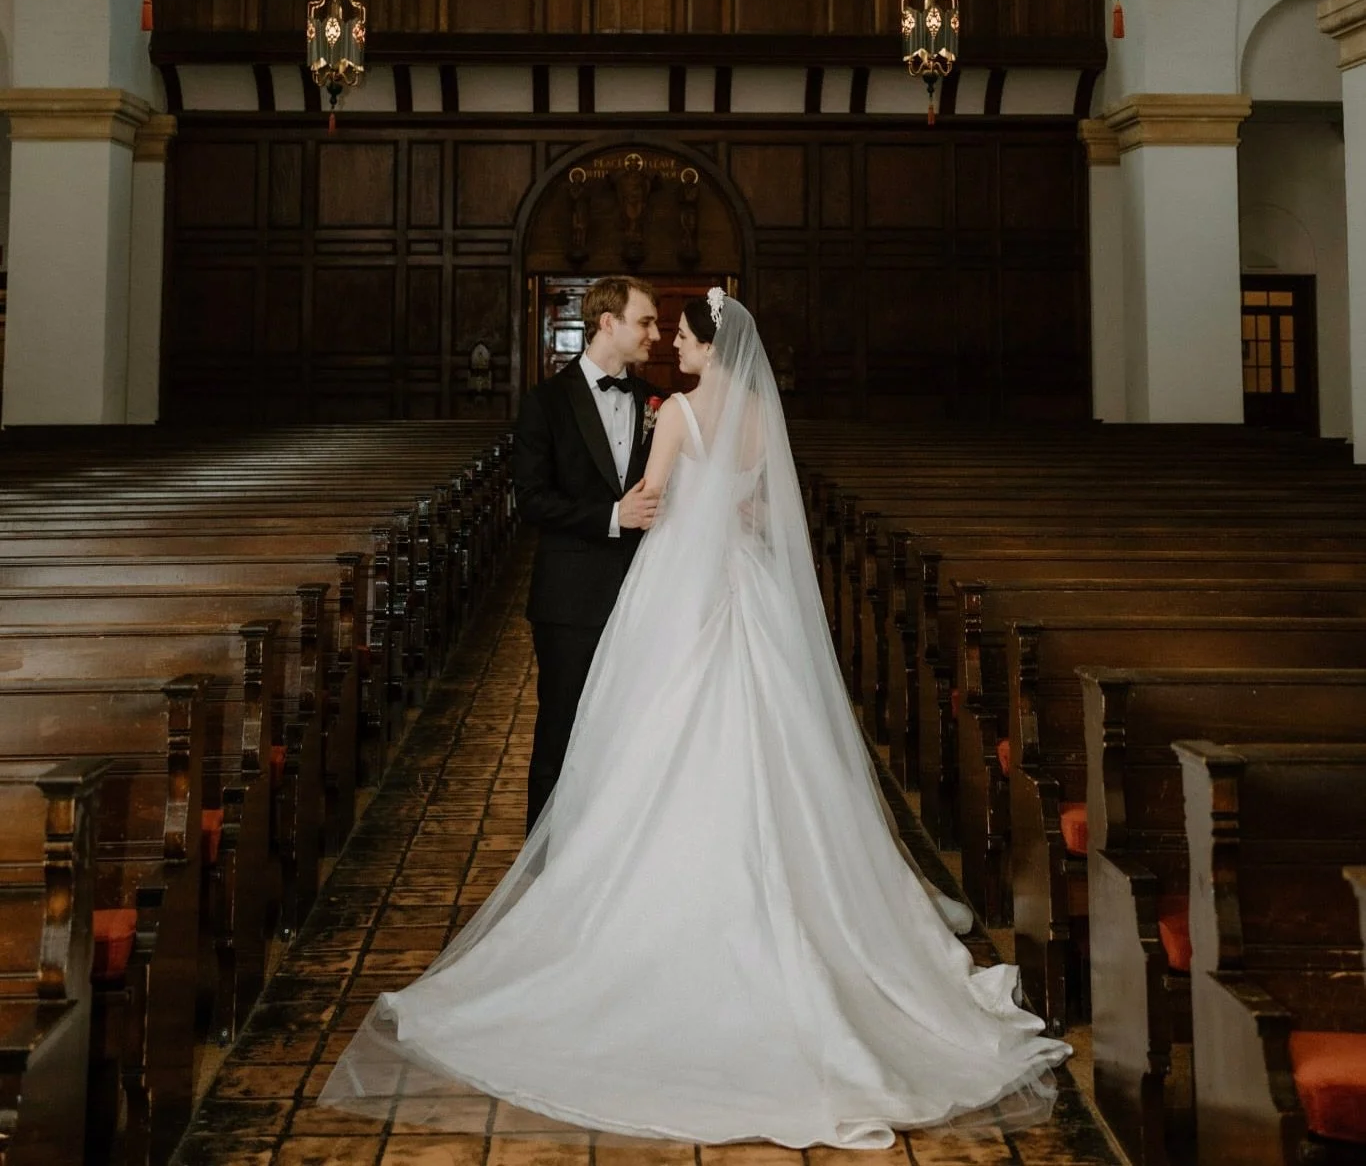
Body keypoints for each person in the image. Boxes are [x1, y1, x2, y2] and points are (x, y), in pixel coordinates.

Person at [320, 289, 1071, 1146]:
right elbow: (753, 507)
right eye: (654, 326)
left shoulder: (674, 409)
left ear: (708, 344)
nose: (665, 340)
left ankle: (607, 900)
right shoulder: (756, 413)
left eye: (676, 331)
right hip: (745, 599)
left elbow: (653, 499)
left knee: (651, 743)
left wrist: (654, 501)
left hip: (676, 600)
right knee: (763, 749)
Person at [512, 275, 660, 833]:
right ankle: (542, 865)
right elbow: (530, 500)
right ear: (607, 322)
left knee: (634, 731)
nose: (655, 333)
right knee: (561, 729)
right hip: (570, 600)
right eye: (644, 321)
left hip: (646, 591)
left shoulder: (656, 402)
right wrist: (610, 517)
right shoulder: (545, 403)